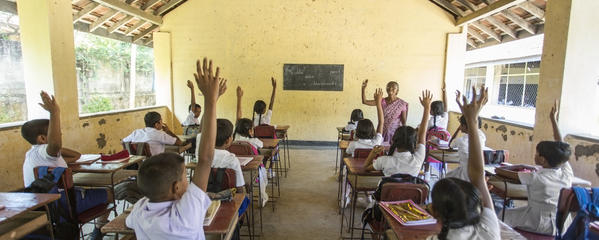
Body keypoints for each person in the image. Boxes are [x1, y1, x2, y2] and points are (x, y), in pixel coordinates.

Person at [126, 57, 224, 239]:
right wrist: (212, 100)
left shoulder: (140, 210)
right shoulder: (186, 214)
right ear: (176, 187)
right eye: (185, 177)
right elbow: (205, 159)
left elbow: (128, 221)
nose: (188, 181)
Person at [21, 91, 107, 239]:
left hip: (45, 207)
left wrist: (57, 148)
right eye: (56, 132)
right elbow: (54, 146)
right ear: (42, 138)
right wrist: (55, 112)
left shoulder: (33, 155)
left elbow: (76, 156)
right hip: (62, 205)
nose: (59, 135)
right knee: (109, 193)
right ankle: (98, 231)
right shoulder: (45, 151)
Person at [427, 85, 500, 240]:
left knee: (445, 180)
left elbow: (451, 144)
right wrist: (472, 119)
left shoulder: (434, 238)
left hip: (465, 172)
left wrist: (467, 122)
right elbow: (478, 177)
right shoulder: (490, 230)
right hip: (474, 172)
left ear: (434, 212)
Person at [496, 100, 573, 235]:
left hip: (538, 222)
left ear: (542, 159)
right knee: (510, 212)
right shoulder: (566, 172)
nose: (535, 155)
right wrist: (553, 120)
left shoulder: (536, 177)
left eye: (537, 153)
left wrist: (519, 166)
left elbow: (499, 171)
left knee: (501, 215)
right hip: (562, 224)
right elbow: (560, 145)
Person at [364, 90, 431, 177]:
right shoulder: (418, 159)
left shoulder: (384, 161)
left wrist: (373, 153)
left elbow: (366, 168)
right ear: (414, 143)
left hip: (386, 191)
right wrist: (427, 108)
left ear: (393, 140)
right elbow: (422, 133)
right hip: (410, 191)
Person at [122, 111, 187, 156]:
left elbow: (123, 142)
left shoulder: (136, 132)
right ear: (156, 124)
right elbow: (180, 143)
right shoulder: (159, 134)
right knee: (175, 156)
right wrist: (168, 131)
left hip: (138, 164)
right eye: (161, 121)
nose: (162, 123)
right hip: (155, 163)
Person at [346, 88, 384, 156]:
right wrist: (378, 103)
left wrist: (378, 102)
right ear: (372, 130)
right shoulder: (376, 143)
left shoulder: (353, 144)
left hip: (355, 166)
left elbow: (348, 152)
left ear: (357, 131)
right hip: (371, 166)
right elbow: (381, 122)